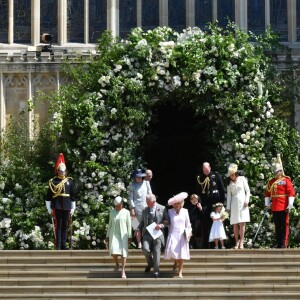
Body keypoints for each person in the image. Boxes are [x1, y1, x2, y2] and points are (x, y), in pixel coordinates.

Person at [46, 153, 76, 250]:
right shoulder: (53, 182)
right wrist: (48, 208)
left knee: (65, 225)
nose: (63, 173)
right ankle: (58, 245)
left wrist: (73, 207)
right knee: (59, 225)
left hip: (67, 205)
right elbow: (49, 196)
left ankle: (63, 244)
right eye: (61, 171)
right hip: (58, 205)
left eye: (64, 171)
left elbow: (72, 195)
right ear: (58, 171)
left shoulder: (69, 181)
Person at [135, 193, 169, 278]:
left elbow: (167, 221)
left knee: (157, 253)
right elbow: (143, 222)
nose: (146, 203)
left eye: (148, 202)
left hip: (158, 234)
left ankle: (156, 271)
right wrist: (138, 228)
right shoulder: (145, 210)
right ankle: (150, 264)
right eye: (146, 201)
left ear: (154, 202)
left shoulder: (162, 208)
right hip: (147, 234)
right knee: (145, 249)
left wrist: (161, 226)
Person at [265, 161, 295, 248]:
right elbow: (267, 193)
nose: (275, 173)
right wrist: (267, 203)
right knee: (277, 226)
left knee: (284, 225)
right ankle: (278, 242)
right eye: (275, 172)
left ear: (281, 171)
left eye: (277, 171)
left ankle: (283, 243)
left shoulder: (286, 180)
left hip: (283, 205)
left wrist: (290, 203)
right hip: (274, 206)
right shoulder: (271, 181)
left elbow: (291, 192)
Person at [196, 162, 225, 248]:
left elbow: (221, 189)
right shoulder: (200, 178)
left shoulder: (216, 176)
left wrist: (221, 204)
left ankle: (216, 245)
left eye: (206, 169)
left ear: (210, 168)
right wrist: (199, 203)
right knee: (205, 224)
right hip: (205, 204)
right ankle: (206, 245)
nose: (205, 171)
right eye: (204, 169)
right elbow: (198, 192)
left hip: (215, 204)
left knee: (216, 224)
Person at [164, 192, 191, 278]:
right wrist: (165, 222)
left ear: (181, 203)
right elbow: (167, 222)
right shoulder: (169, 211)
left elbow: (188, 224)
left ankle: (180, 272)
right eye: (175, 203)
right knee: (173, 252)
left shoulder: (185, 211)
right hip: (172, 234)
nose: (176, 205)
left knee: (182, 254)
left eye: (178, 203)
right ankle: (176, 261)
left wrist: (189, 232)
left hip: (182, 235)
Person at [106, 196, 132, 278]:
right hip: (114, 234)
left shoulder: (127, 212)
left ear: (122, 205)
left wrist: (130, 236)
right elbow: (110, 224)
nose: (118, 207)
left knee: (123, 253)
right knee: (113, 252)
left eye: (119, 206)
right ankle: (117, 263)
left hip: (124, 235)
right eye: (116, 206)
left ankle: (123, 271)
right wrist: (107, 236)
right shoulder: (112, 212)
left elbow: (129, 225)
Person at [226, 163, 250, 249]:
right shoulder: (229, 184)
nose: (231, 177)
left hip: (243, 203)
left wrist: (247, 200)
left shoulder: (242, 179)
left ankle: (242, 241)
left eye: (232, 175)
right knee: (235, 224)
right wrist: (228, 208)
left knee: (242, 223)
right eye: (230, 176)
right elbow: (229, 196)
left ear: (236, 174)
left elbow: (248, 191)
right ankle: (236, 241)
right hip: (234, 204)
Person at [128, 169, 152, 248]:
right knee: (136, 225)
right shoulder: (132, 185)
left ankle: (149, 242)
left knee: (149, 224)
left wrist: (151, 204)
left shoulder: (146, 183)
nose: (139, 178)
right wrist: (132, 208)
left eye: (140, 177)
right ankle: (139, 242)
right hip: (136, 208)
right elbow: (130, 198)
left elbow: (150, 194)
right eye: (137, 177)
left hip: (146, 206)